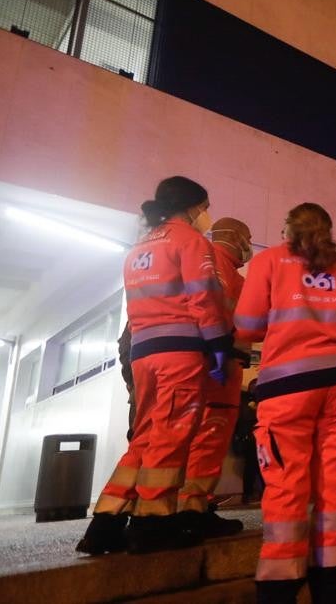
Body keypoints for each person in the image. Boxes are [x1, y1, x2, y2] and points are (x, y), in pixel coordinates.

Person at [77, 176, 231, 555]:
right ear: (193, 206)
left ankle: (107, 522)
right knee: (173, 432)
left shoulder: (139, 248)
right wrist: (219, 345)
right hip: (180, 352)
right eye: (205, 207)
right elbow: (205, 299)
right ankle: (153, 523)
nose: (206, 215)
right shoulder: (191, 242)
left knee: (145, 434)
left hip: (145, 353)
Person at [235, 203, 336, 604]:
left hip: (288, 386)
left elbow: (246, 326)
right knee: (334, 487)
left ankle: (279, 588)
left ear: (285, 229)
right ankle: (330, 585)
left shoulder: (269, 261)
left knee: (286, 486)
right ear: (328, 231)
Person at [178, 217, 254, 537]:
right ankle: (194, 509)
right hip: (220, 369)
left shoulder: (199, 260)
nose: (249, 245)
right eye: (247, 237)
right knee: (210, 436)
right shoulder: (226, 273)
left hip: (193, 366)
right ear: (236, 238)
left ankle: (178, 507)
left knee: (186, 438)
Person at [233, 378, 262, 503]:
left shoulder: (248, 401)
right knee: (252, 467)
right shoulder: (245, 401)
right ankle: (249, 493)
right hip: (250, 437)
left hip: (255, 435)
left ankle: (252, 493)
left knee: (255, 467)